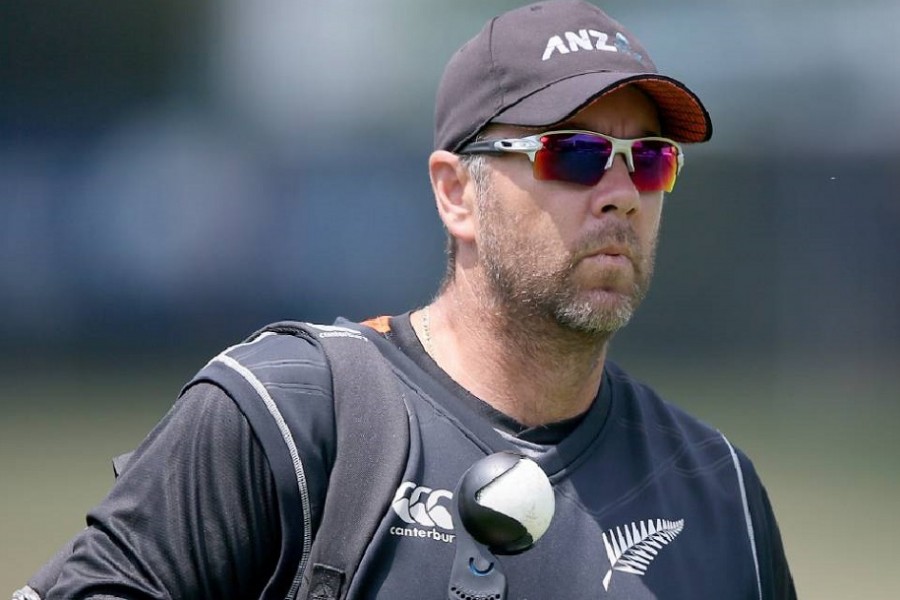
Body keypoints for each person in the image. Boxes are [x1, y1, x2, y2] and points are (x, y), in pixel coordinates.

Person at [19, 1, 796, 598]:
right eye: (576, 153)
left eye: (650, 159)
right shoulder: (288, 420)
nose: (622, 194)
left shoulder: (717, 489)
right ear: (457, 194)